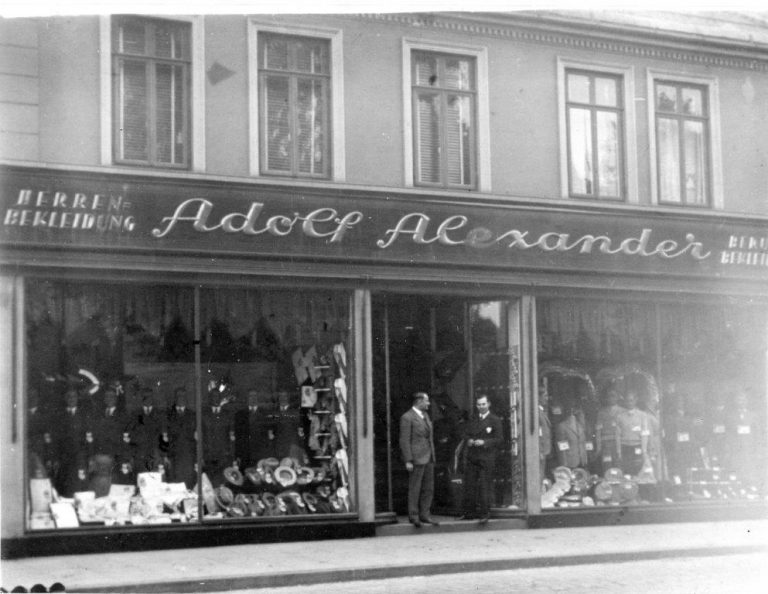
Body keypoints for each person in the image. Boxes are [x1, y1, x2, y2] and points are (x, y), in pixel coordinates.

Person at [459, 394, 502, 524]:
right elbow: (465, 433)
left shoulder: (494, 420)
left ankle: (484, 514)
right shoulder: (473, 419)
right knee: (469, 485)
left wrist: (484, 442)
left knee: (484, 486)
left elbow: (499, 439)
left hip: (486, 457)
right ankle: (469, 513)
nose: (481, 407)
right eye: (479, 404)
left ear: (488, 404)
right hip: (473, 456)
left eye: (483, 404)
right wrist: (469, 440)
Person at [399, 391, 438, 527]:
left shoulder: (425, 415)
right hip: (416, 458)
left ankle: (425, 515)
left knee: (428, 488)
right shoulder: (407, 417)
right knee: (415, 488)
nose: (428, 404)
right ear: (419, 402)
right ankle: (414, 516)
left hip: (428, 457)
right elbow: (404, 440)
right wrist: (408, 460)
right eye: (426, 401)